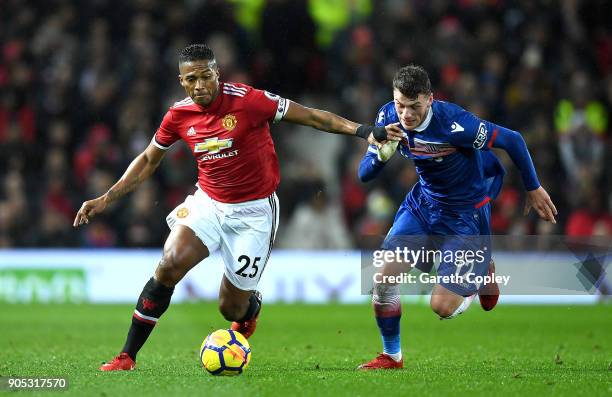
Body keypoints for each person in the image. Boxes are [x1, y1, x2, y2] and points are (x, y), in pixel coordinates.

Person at [73, 44, 402, 371]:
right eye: (191, 79)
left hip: (254, 213)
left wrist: (363, 131)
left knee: (230, 308)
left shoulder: (250, 101)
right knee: (169, 264)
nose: (199, 85)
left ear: (217, 74)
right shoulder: (178, 114)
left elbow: (314, 117)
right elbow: (147, 160)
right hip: (209, 203)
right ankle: (127, 356)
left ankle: (249, 308)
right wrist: (106, 197)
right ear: (181, 81)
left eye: (205, 77)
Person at [356, 65, 557, 369]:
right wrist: (382, 155)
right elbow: (363, 174)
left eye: (415, 106)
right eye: (400, 104)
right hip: (423, 205)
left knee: (441, 307)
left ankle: (480, 276)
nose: (406, 114)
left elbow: (513, 139)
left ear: (430, 100)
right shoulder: (387, 117)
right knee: (382, 278)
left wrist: (533, 188)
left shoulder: (455, 124)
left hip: (464, 216)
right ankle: (392, 356)